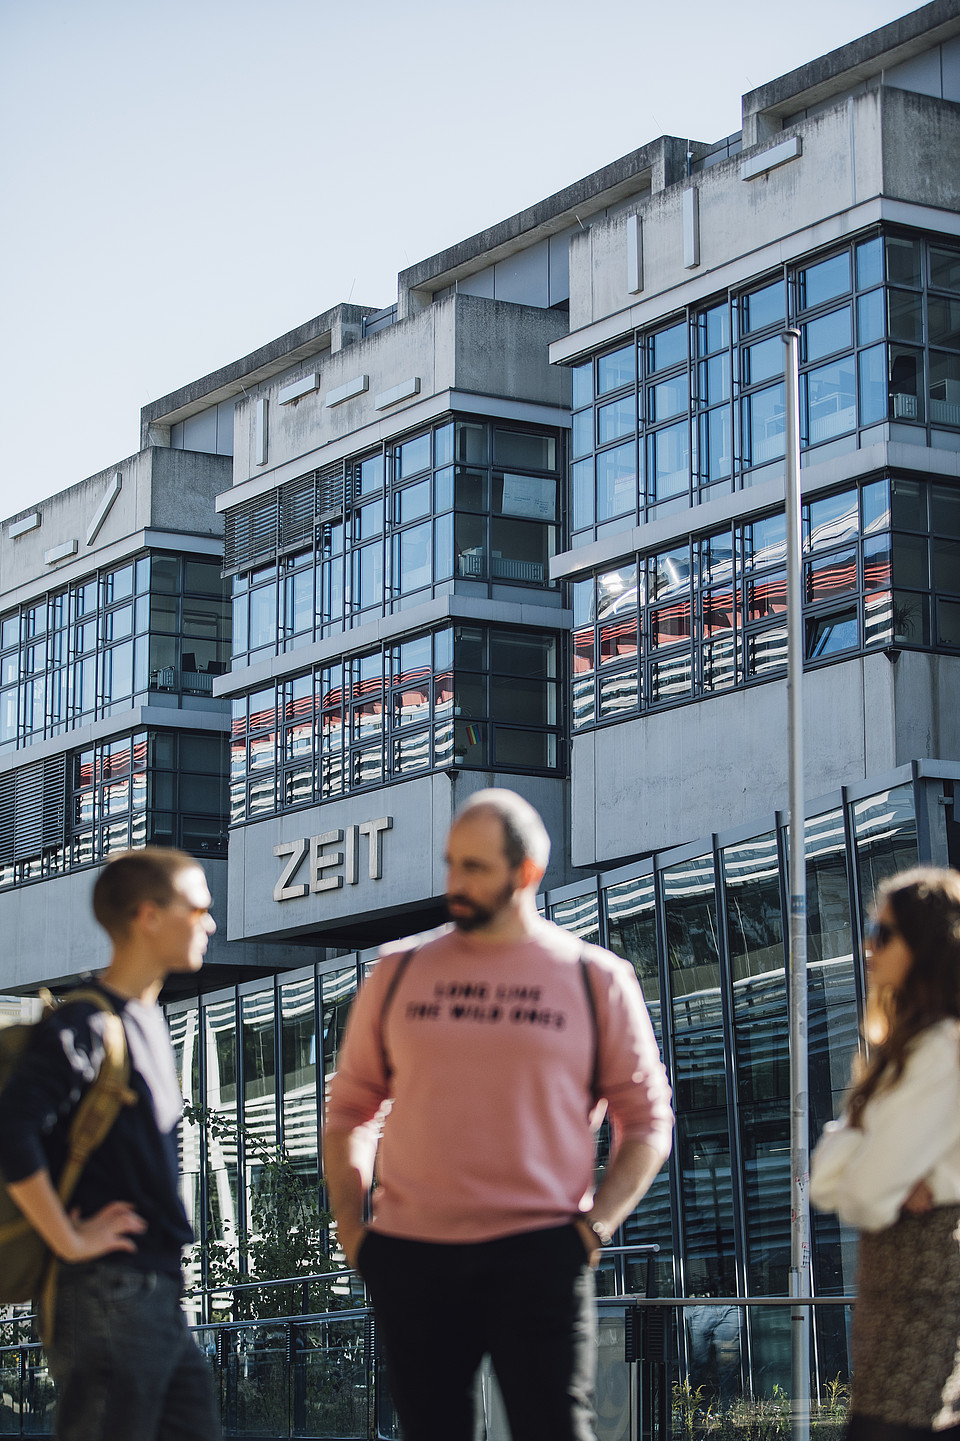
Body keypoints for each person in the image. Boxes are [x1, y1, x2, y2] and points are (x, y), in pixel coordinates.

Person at [325, 788, 673, 1441]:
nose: (456, 883)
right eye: (452, 863)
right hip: (414, 1256)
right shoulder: (397, 972)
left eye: (476, 867)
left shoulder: (595, 978)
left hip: (540, 1253)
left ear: (528, 871)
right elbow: (350, 1108)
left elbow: (647, 1120)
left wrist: (594, 1229)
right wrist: (353, 1229)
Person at [0, 847, 222, 1441]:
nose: (210, 923)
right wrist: (69, 1240)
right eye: (197, 908)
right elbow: (11, 1129)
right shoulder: (87, 1024)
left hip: (155, 1290)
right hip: (108, 1292)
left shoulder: (144, 1018)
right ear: (148, 916)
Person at [810, 866, 960, 1441]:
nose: (869, 944)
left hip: (925, 1301)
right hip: (895, 1300)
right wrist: (873, 1156)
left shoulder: (938, 1050)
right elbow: (828, 1183)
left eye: (884, 932)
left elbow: (863, 1196)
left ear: (925, 944)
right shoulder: (905, 1050)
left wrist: (865, 1148)